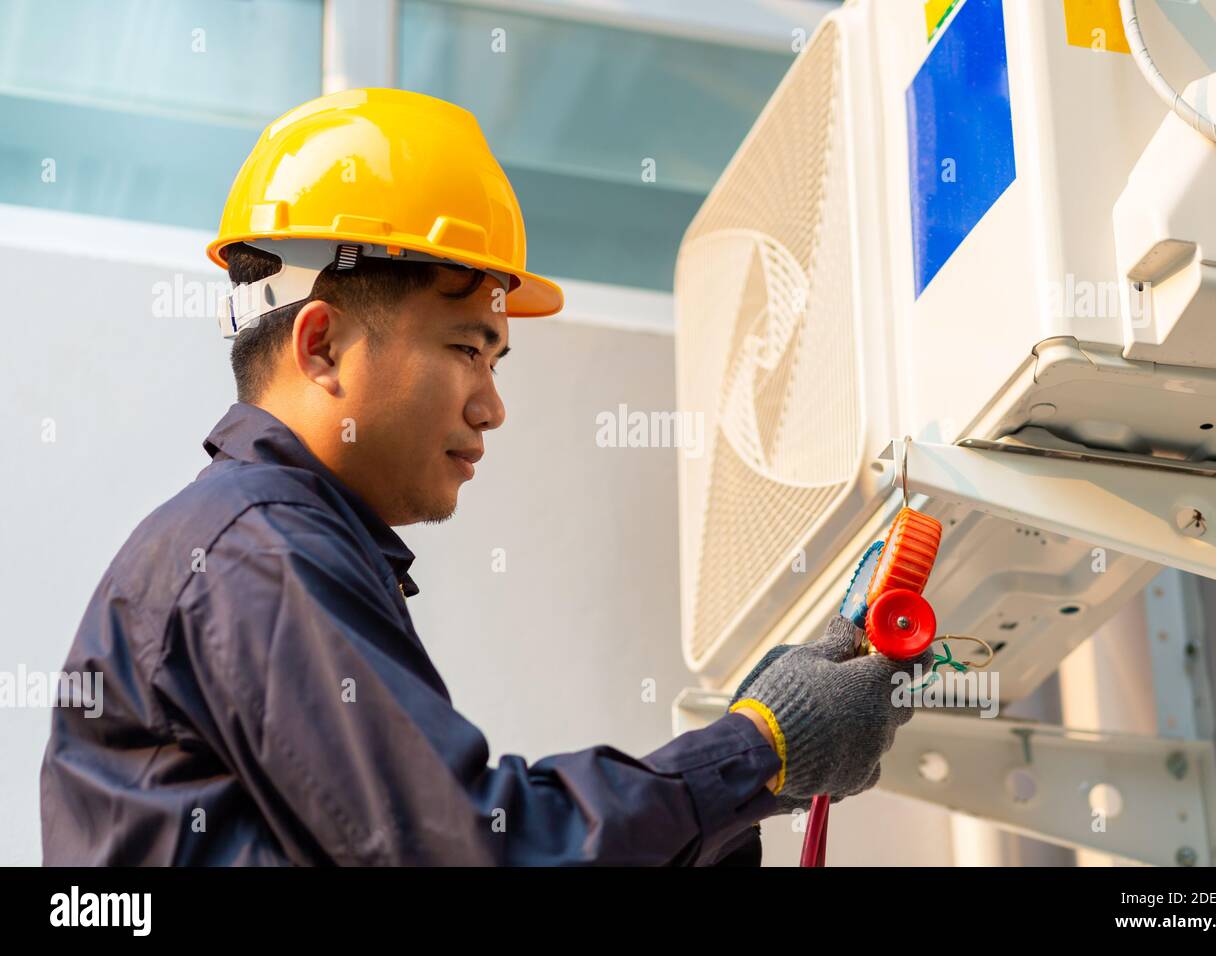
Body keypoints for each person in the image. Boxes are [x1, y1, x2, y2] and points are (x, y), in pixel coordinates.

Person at [40, 88, 930, 866]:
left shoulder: (261, 544)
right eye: (469, 348)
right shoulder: (258, 550)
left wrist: (760, 762)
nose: (491, 406)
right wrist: (758, 749)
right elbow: (466, 851)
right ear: (321, 346)